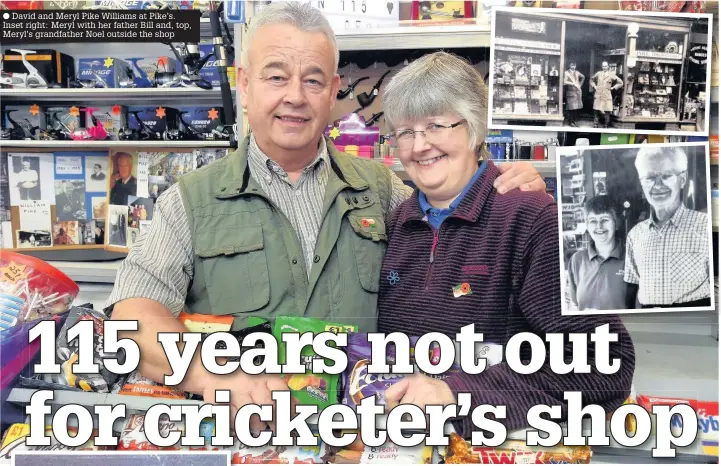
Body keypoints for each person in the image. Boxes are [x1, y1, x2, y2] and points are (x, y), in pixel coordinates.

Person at [106, 2, 546, 430]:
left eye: (313, 81)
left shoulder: (383, 190)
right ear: (244, 84)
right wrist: (210, 372)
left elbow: (456, 228)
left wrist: (504, 188)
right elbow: (133, 315)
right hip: (248, 437)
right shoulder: (189, 201)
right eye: (276, 76)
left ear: (334, 90)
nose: (294, 96)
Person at [376, 52, 634, 432]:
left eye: (436, 125)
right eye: (405, 132)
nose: (419, 146)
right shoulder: (397, 223)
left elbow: (606, 364)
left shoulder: (530, 219)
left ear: (476, 130)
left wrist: (457, 393)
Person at [625, 146, 711, 308]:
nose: (657, 185)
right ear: (641, 182)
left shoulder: (705, 226)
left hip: (693, 320)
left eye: (666, 176)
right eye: (649, 178)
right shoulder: (635, 235)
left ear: (683, 179)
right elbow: (632, 287)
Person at [567, 196, 629, 311]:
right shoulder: (577, 260)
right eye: (593, 221)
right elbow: (574, 305)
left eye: (605, 220)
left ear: (616, 223)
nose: (599, 226)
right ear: (587, 225)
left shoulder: (630, 258)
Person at [589, 61, 622, 128]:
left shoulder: (611, 74)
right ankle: (595, 124)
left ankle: (606, 124)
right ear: (602, 66)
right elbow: (591, 80)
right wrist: (594, 86)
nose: (604, 67)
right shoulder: (598, 73)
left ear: (608, 67)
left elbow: (620, 82)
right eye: (603, 66)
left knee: (607, 111)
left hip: (607, 95)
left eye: (606, 66)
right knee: (596, 110)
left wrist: (613, 88)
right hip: (598, 94)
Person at [563, 61, 584, 127]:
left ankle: (574, 121)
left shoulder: (577, 72)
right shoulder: (566, 73)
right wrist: (573, 83)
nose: (573, 67)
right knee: (571, 108)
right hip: (570, 92)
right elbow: (564, 81)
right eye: (572, 65)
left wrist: (580, 85)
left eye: (574, 65)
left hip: (577, 92)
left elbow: (583, 77)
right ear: (569, 65)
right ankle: (570, 122)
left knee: (576, 108)